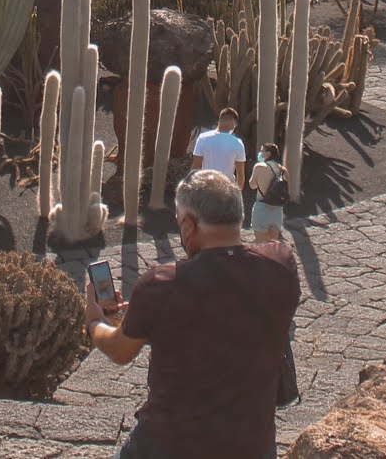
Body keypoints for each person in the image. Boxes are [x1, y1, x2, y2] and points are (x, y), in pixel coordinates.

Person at [86, 169, 302, 459]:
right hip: (252, 445)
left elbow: (120, 350)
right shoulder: (280, 265)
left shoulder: (161, 285)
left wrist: (96, 322)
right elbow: (227, 311)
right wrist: (149, 317)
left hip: (169, 445)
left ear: (188, 225)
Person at [193, 108, 247, 189]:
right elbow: (241, 175)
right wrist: (238, 194)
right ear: (233, 122)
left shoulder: (202, 138)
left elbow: (195, 167)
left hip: (206, 188)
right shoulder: (237, 143)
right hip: (227, 190)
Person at [248, 143, 289, 243]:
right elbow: (287, 189)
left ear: (269, 153)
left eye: (262, 151)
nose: (260, 153)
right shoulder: (283, 170)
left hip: (262, 208)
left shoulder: (259, 166)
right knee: (273, 244)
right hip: (277, 210)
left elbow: (252, 185)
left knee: (261, 244)